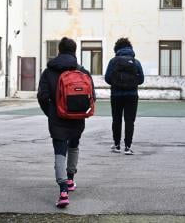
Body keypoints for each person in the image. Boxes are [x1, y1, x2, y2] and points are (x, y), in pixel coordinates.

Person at [37, 37, 95, 208]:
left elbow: (42, 96)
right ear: (74, 51)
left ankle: (63, 191)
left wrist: (51, 112)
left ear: (59, 50)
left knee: (60, 150)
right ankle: (70, 179)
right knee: (74, 146)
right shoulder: (82, 71)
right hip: (78, 117)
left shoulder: (49, 71)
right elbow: (92, 96)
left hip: (57, 117)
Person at [104, 37, 144, 155]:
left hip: (116, 95)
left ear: (117, 49)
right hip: (132, 95)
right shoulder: (136, 62)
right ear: (130, 48)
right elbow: (141, 79)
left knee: (116, 120)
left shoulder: (113, 61)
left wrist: (117, 83)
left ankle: (117, 145)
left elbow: (107, 78)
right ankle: (128, 147)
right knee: (129, 121)